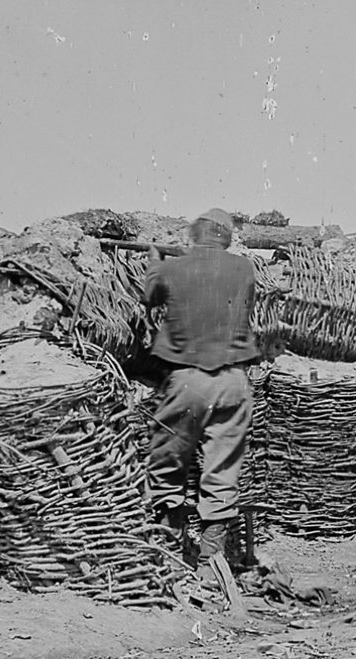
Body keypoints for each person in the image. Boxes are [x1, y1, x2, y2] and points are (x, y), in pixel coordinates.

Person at [142, 209, 260, 567]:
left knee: (167, 464)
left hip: (187, 379)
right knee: (223, 470)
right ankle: (212, 562)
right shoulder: (245, 268)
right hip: (234, 382)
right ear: (225, 238)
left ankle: (168, 553)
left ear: (194, 237)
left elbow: (150, 297)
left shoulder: (172, 269)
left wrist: (153, 263)